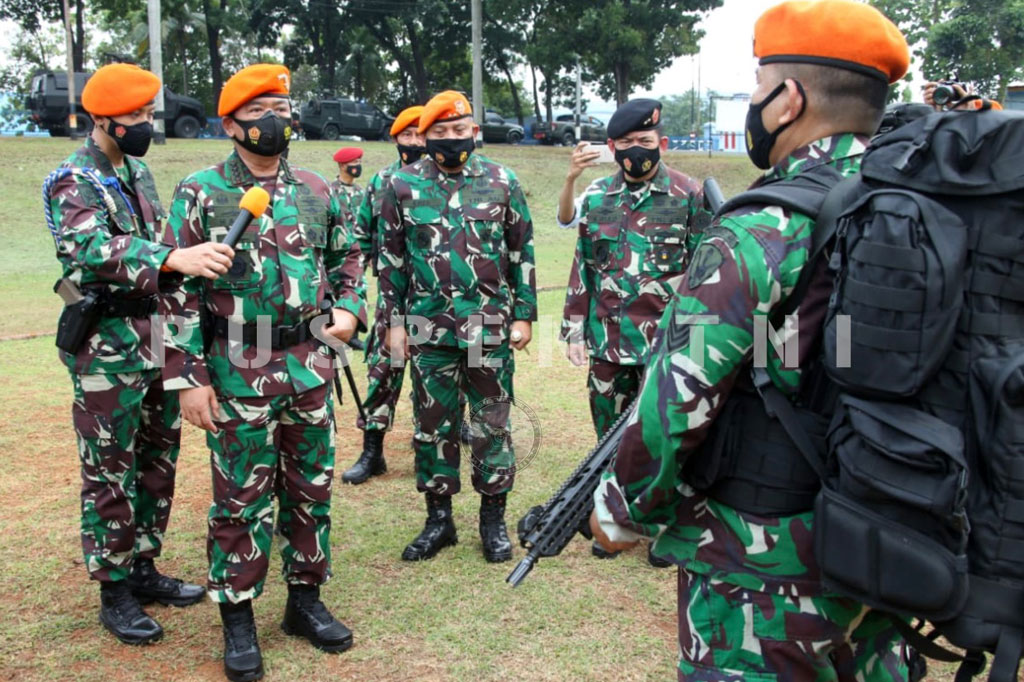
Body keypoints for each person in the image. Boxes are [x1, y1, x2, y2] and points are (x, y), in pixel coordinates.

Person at [590, 2, 914, 680]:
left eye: (759, 85)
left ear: (787, 100)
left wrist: (623, 508)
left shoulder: (766, 224)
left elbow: (679, 394)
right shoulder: (916, 207)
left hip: (764, 562)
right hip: (892, 536)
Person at [160, 64, 367, 682]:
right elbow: (174, 291)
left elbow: (348, 255)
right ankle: (238, 616)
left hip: (310, 364)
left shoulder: (316, 188)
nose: (273, 120)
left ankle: (305, 601)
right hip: (236, 370)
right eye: (258, 111)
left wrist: (350, 308)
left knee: (311, 488)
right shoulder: (200, 191)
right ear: (230, 124)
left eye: (281, 107)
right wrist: (188, 377)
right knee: (240, 498)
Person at [45, 62, 233, 646]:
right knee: (109, 469)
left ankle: (144, 566)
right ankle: (114, 588)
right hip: (105, 347)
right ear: (103, 119)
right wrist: (171, 258)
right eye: (135, 116)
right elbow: (90, 247)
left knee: (157, 460)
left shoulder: (139, 172)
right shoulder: (73, 179)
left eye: (150, 113)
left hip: (155, 340)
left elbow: (159, 244)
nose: (147, 124)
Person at [377, 90, 537, 563]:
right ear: (425, 136)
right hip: (428, 328)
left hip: (488, 326)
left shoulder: (502, 180)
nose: (451, 138)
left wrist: (524, 314)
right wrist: (393, 323)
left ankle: (493, 521)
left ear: (474, 131)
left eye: (459, 129)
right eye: (441, 131)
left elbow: (521, 251)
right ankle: (439, 521)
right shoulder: (401, 185)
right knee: (432, 426)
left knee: (492, 424)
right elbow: (391, 261)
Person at [557, 100, 706, 561]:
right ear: (612, 147)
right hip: (609, 339)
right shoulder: (598, 196)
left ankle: (665, 526)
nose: (636, 149)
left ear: (662, 143)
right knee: (609, 433)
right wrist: (574, 328)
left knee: (666, 434)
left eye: (645, 141)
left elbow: (705, 273)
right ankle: (617, 521)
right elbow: (584, 264)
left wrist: (699, 338)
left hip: (667, 342)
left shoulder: (690, 195)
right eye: (627, 143)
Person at [340, 105, 426, 484]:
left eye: (421, 134)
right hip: (392, 295)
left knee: (436, 375)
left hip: (435, 298)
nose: (415, 141)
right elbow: (360, 238)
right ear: (396, 139)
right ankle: (372, 452)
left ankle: (433, 446)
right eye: (407, 135)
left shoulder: (444, 181)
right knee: (382, 372)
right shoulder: (380, 181)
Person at [329, 146, 364, 228]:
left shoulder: (362, 192)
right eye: (355, 162)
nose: (358, 165)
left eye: (359, 162)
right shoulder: (331, 192)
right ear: (342, 166)